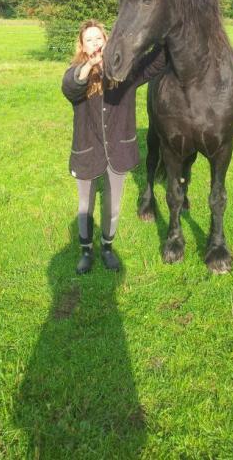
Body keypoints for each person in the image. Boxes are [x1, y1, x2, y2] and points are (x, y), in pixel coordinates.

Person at [61, 19, 168, 274]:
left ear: (106, 41)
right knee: (85, 205)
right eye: (89, 40)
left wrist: (164, 34)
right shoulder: (77, 71)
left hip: (119, 150)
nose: (95, 43)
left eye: (98, 38)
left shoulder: (125, 71)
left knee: (113, 204)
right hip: (88, 151)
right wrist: (90, 65)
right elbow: (70, 88)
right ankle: (86, 251)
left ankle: (107, 248)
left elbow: (155, 64)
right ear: (82, 46)